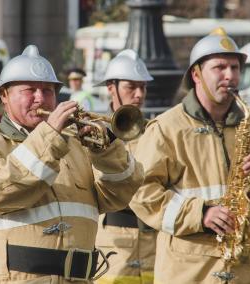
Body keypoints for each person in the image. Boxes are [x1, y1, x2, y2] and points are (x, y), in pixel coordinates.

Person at [0, 45, 144, 284]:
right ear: (4, 95)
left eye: (47, 90)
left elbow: (117, 198)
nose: (40, 98)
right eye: (29, 90)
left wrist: (105, 151)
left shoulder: (73, 141)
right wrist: (49, 137)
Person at [129, 27, 250, 283]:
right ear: (196, 74)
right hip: (188, 271)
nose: (230, 76)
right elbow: (140, 193)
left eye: (235, 68)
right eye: (219, 67)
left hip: (245, 270)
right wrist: (201, 213)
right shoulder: (166, 128)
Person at [93, 49, 156, 284]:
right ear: (111, 87)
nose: (139, 94)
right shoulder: (93, 131)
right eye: (131, 87)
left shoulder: (156, 131)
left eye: (143, 87)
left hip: (154, 248)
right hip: (112, 246)